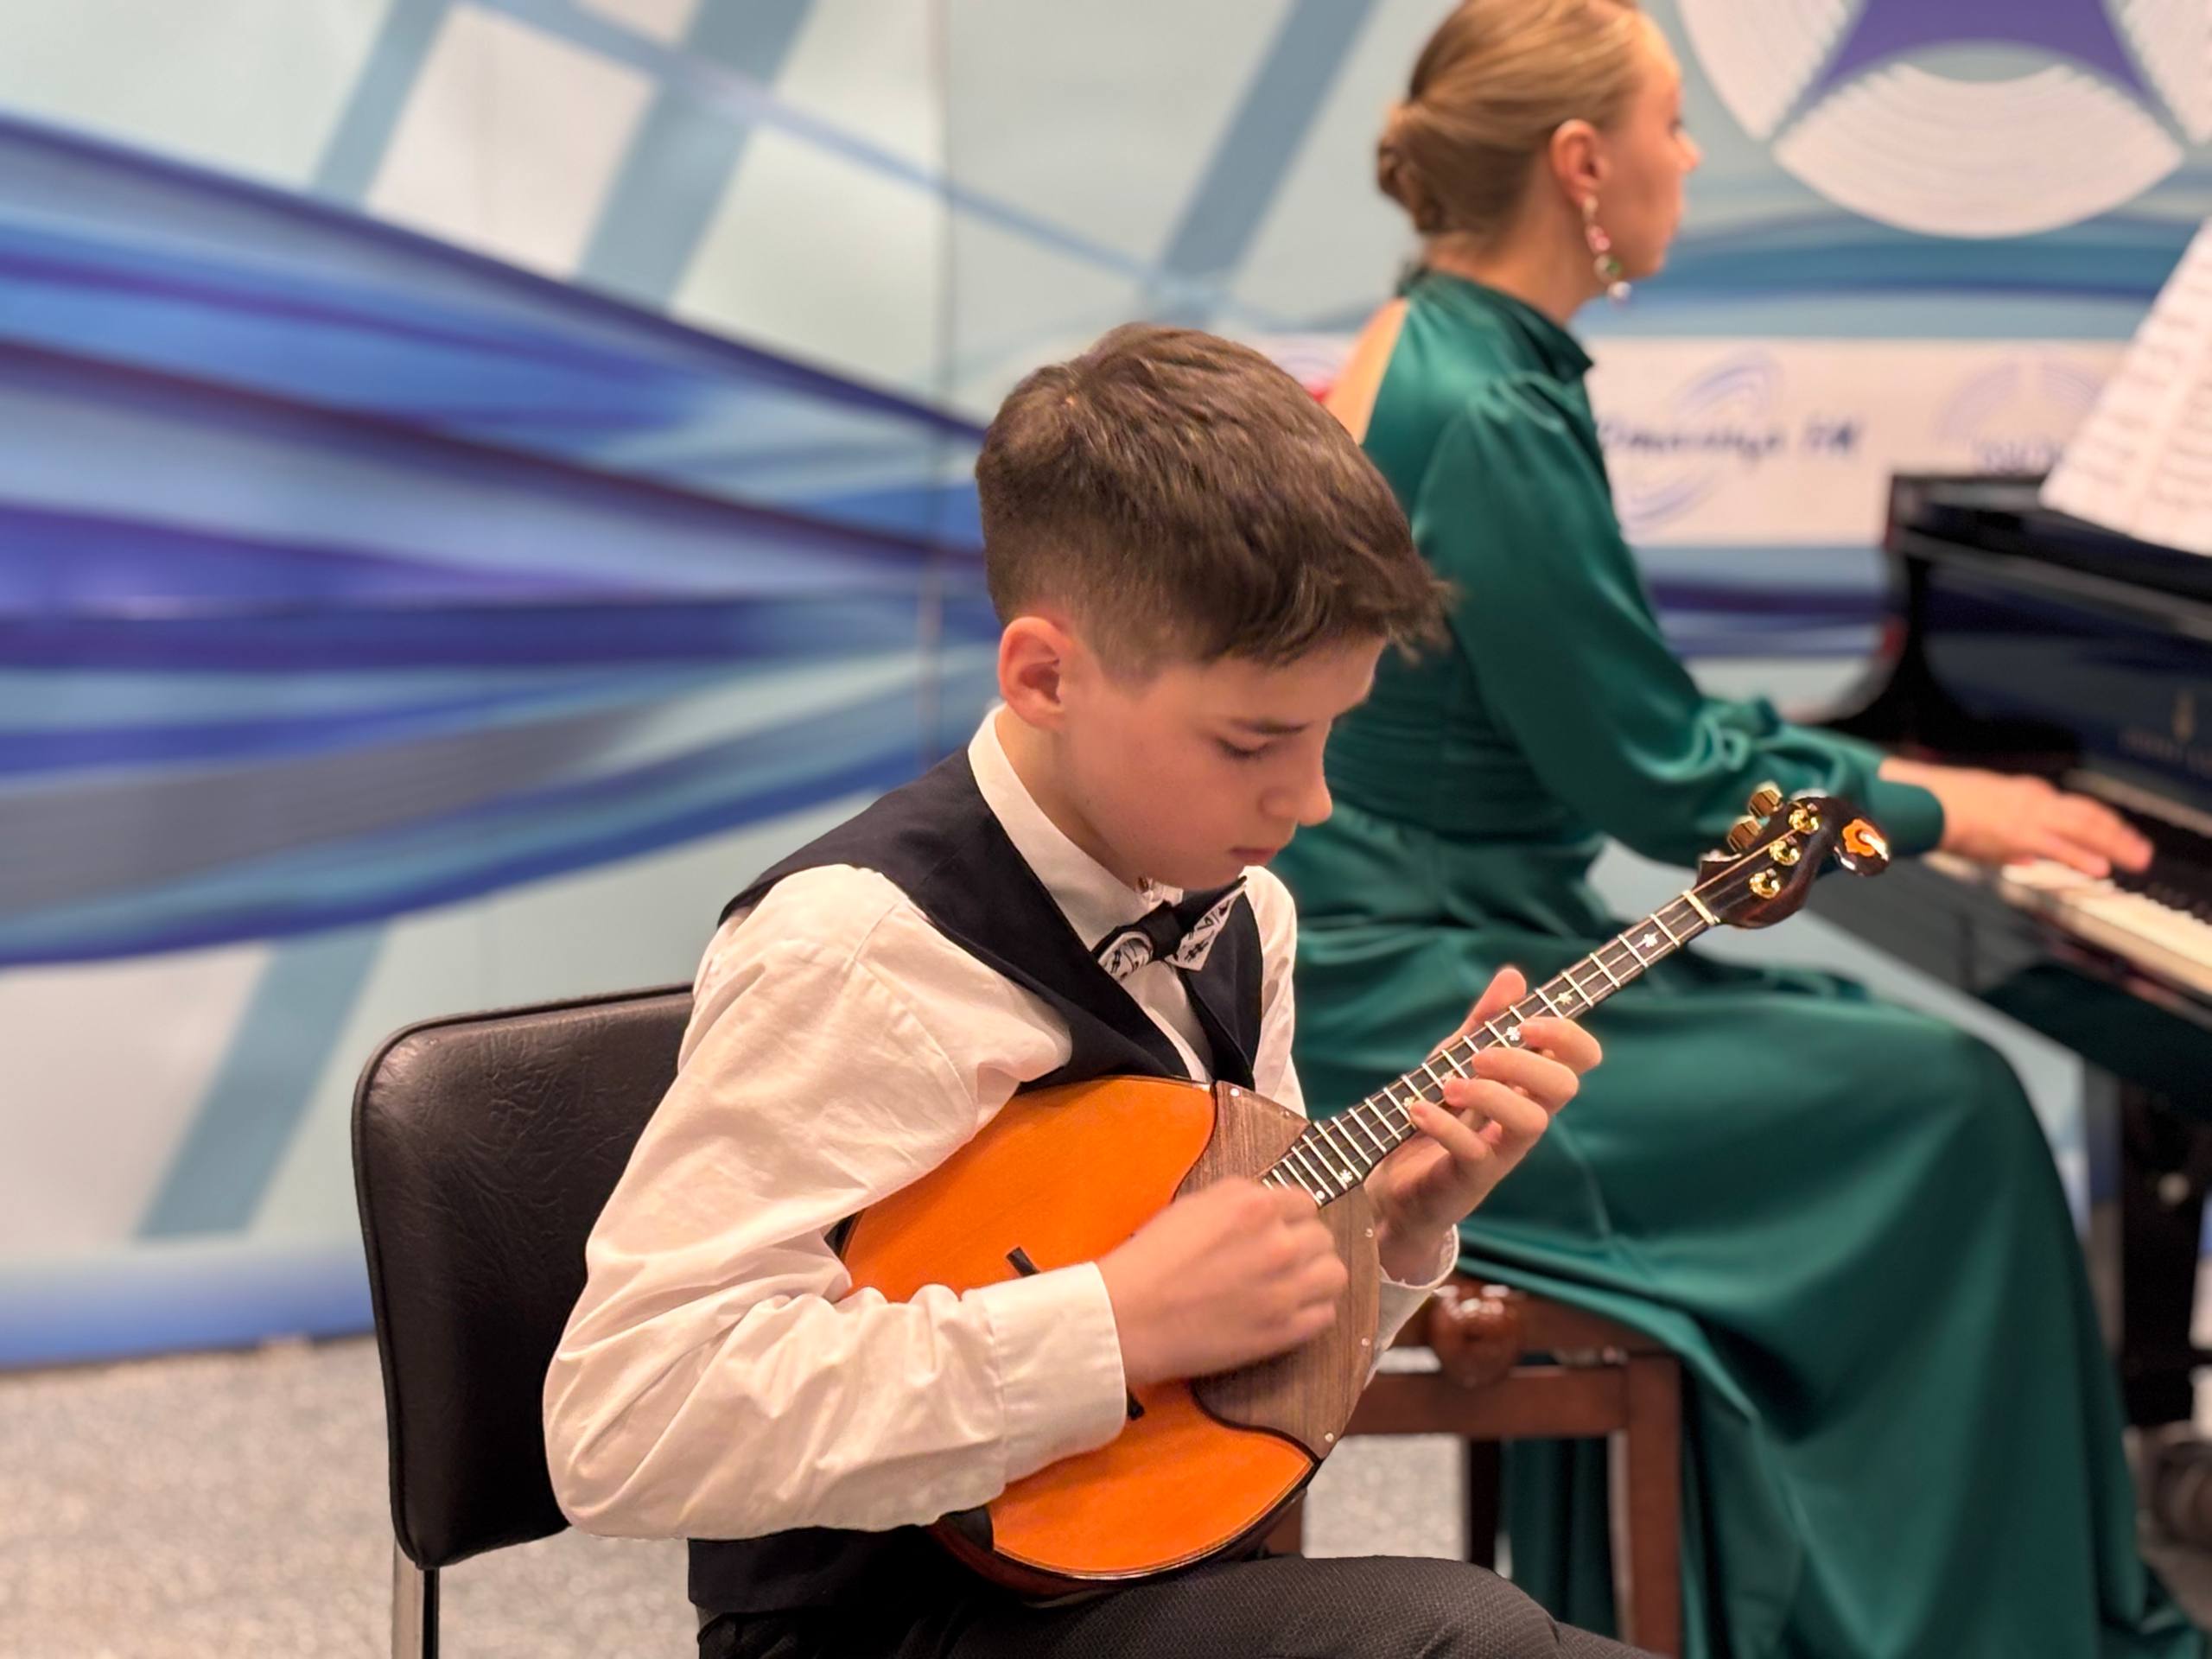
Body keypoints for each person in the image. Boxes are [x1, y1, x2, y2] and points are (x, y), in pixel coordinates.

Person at [1271, 3, 2202, 1655]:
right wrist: (1950, 806)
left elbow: (1644, 728)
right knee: (1954, 1105)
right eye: (1673, 123)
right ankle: (1966, 1624)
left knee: (1879, 1060)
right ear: (1582, 164)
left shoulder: (1446, 341)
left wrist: (1899, 793)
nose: (1691, 158)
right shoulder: (1493, 413)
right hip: (1425, 1001)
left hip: (1437, 954)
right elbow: (1665, 781)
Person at [543, 321, 1643, 1657]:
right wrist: (1111, 1325)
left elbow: (1217, 1419)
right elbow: (622, 1423)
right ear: (1047, 676)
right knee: (1466, 1636)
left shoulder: (1247, 913)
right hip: (878, 1631)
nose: (1310, 801)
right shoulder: (857, 953)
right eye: (1253, 742)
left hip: (1150, 1584)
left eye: (1329, 732)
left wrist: (1387, 1239)